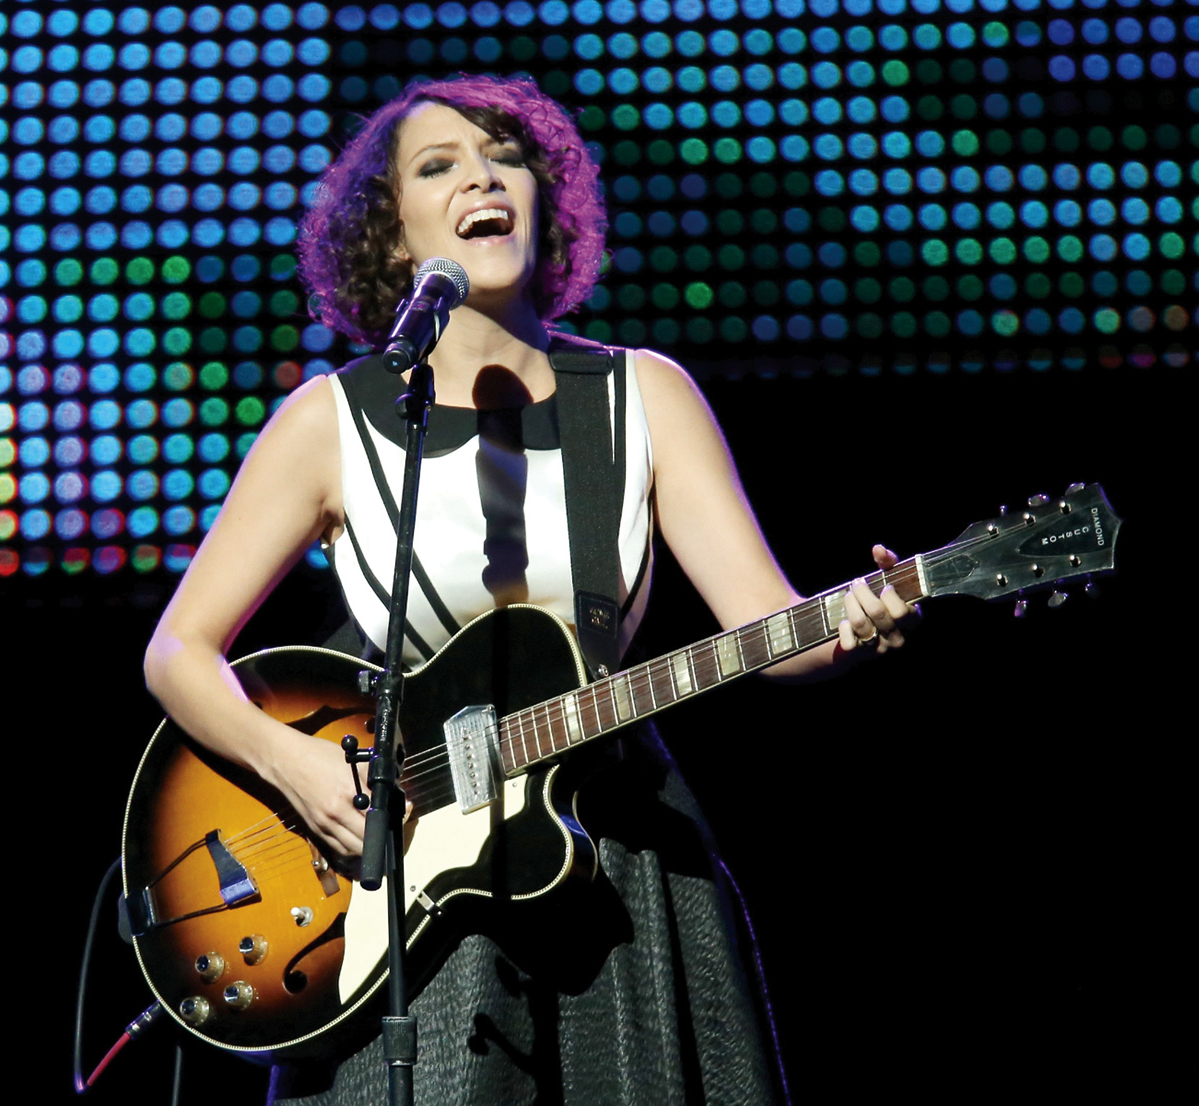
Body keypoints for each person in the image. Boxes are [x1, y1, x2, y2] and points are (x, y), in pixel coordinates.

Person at [143, 74, 913, 1105]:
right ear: (393, 228)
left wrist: (851, 628)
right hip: (404, 891)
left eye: (504, 157)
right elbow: (178, 648)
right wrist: (296, 766)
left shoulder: (643, 396)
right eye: (439, 165)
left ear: (543, 198)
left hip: (611, 865)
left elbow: (770, 624)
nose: (482, 178)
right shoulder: (333, 419)